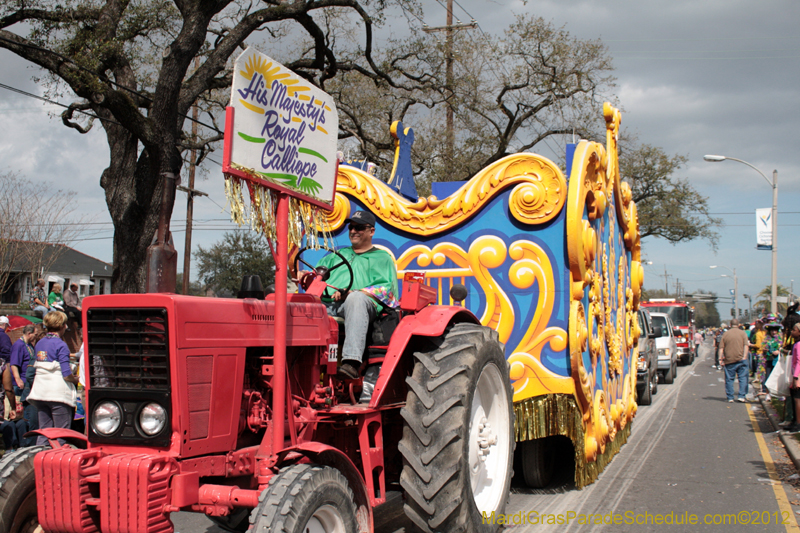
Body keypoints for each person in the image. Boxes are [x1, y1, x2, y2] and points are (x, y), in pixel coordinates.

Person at [311, 210, 399, 380]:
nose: (353, 231)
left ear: (371, 231)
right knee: (299, 306)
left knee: (356, 299)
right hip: (328, 306)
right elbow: (316, 276)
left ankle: (351, 362)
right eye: (351, 227)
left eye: (359, 228)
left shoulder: (382, 258)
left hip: (361, 307)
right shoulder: (337, 256)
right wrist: (305, 275)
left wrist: (352, 293)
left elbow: (387, 291)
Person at [26, 311, 78, 446]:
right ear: (61, 325)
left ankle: (39, 458)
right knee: (61, 432)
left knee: (44, 431)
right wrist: (76, 380)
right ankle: (58, 463)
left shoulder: (40, 343)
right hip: (58, 394)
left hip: (40, 392)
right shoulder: (61, 345)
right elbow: (66, 373)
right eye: (65, 324)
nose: (66, 327)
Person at [9, 324, 39, 447]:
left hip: (29, 383)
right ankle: (23, 443)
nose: (36, 337)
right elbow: (14, 364)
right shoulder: (18, 345)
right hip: (22, 383)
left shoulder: (29, 345)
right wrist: (17, 379)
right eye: (35, 335)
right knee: (24, 414)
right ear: (29, 333)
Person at [718, 318, 749, 402]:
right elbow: (746, 346)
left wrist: (720, 358)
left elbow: (721, 347)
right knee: (742, 378)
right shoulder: (743, 333)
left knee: (729, 379)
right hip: (741, 359)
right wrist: (744, 356)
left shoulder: (725, 334)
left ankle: (730, 397)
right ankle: (741, 396)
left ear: (730, 325)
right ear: (738, 325)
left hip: (729, 360)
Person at [786, 323, 800, 432]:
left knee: (797, 399)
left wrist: (796, 377)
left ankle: (798, 424)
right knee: (793, 398)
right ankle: (794, 420)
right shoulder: (796, 344)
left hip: (798, 375)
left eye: (794, 330)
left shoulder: (799, 344)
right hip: (794, 373)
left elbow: (799, 361)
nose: (792, 331)